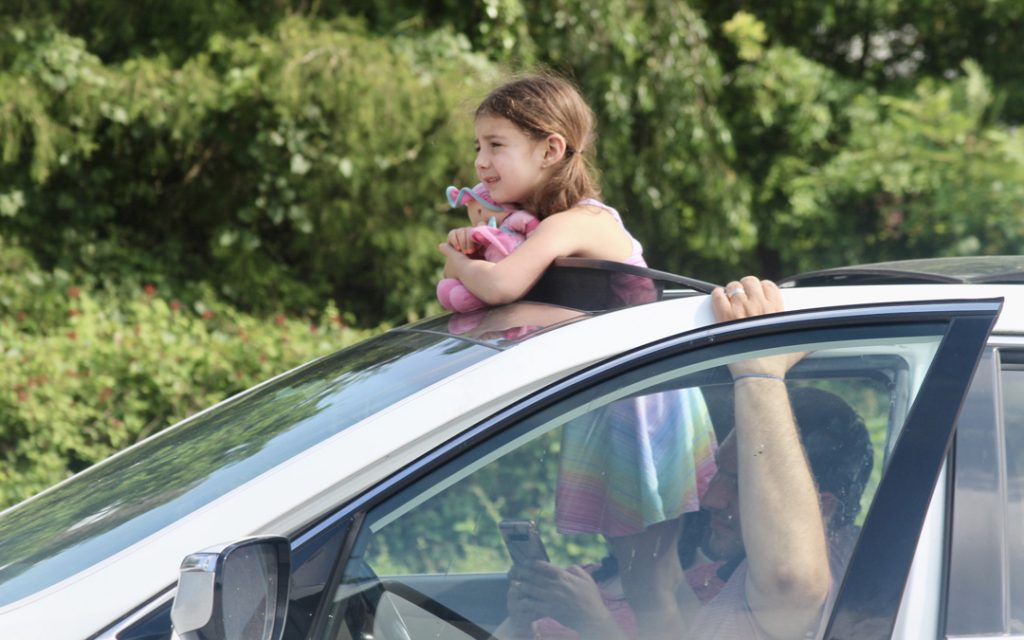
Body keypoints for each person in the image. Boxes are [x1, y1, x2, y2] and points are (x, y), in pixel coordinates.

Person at [437, 74, 646, 307]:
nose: (480, 162)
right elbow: (455, 277)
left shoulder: (577, 222)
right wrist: (472, 252)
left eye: (495, 145)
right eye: (478, 148)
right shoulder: (525, 222)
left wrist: (459, 263)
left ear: (550, 151)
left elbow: (498, 285)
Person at [436, 183, 540, 313]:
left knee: (461, 296)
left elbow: (499, 285)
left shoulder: (517, 222)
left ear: (479, 211)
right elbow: (450, 270)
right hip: (500, 292)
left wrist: (459, 263)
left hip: (515, 293)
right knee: (447, 288)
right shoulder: (482, 234)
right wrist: (464, 251)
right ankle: (467, 293)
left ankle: (471, 297)